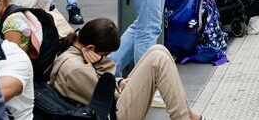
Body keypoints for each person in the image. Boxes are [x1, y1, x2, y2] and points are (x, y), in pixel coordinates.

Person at [51, 18, 202, 120]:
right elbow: (108, 98)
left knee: (158, 50)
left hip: (109, 107)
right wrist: (102, 63)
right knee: (159, 59)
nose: (106, 57)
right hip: (112, 115)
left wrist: (119, 81)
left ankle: (186, 114)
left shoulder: (75, 52)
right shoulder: (76, 69)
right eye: (105, 55)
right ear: (90, 48)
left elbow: (101, 87)